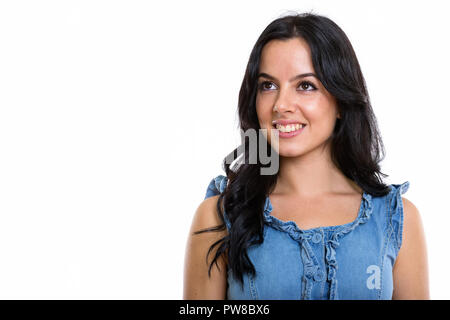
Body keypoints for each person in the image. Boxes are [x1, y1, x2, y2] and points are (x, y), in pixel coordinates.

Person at [183, 12, 429, 300]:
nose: (281, 104)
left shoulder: (396, 219)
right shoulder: (218, 217)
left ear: (341, 101)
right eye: (268, 85)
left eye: (305, 86)